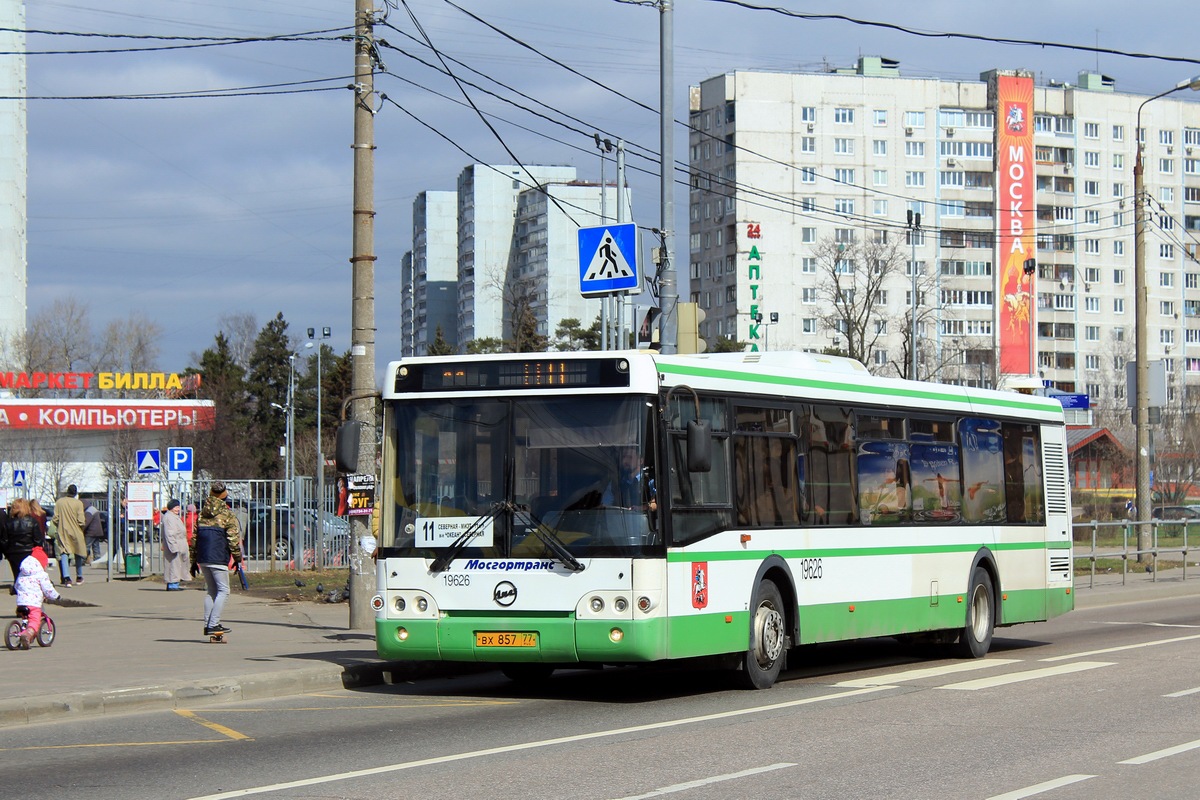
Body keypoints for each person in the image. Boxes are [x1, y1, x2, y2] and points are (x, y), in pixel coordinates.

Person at [188, 482, 242, 637]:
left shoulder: (201, 514)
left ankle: (207, 624)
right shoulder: (227, 515)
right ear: (224, 496)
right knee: (224, 590)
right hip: (218, 556)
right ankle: (213, 624)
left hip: (204, 557)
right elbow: (233, 539)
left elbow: (194, 539)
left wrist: (193, 561)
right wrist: (237, 558)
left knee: (212, 591)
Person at [13, 547, 59, 649]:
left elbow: (16, 586)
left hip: (21, 602)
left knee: (25, 618)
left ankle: (22, 630)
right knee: (35, 620)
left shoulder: (22, 573)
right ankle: (28, 634)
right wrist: (56, 596)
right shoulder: (41, 574)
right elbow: (48, 589)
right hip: (33, 603)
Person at [602, 446, 656, 510]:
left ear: (641, 461)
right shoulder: (615, 483)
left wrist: (642, 508)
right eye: (623, 457)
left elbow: (658, 503)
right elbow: (605, 505)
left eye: (629, 457)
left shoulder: (650, 481)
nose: (625, 461)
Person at [54, 485, 87, 585]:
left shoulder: (59, 502)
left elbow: (55, 518)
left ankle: (67, 578)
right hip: (76, 530)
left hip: (63, 530)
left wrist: (60, 525)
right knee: (78, 552)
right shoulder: (78, 503)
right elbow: (81, 520)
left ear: (67, 491)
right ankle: (79, 576)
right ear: (76, 493)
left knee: (64, 552)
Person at [4, 498, 42, 585]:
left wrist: (6, 552)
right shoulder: (32, 522)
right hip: (29, 552)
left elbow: (5, 540)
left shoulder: (8, 522)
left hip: (13, 553)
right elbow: (38, 540)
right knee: (29, 574)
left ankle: (18, 586)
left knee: (17, 573)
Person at [161, 499, 189, 590]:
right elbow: (170, 533)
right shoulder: (169, 518)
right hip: (175, 545)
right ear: (171, 508)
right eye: (176, 507)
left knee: (177, 565)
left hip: (179, 544)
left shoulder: (174, 517)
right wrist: (173, 546)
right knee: (173, 565)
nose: (178, 509)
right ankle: (172, 584)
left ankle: (175, 583)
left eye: (178, 507)